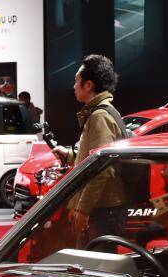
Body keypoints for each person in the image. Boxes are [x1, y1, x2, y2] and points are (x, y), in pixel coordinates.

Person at [50, 53, 125, 238]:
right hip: (102, 209)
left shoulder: (99, 116)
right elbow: (94, 158)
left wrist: (83, 209)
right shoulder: (101, 113)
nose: (74, 86)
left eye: (77, 81)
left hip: (101, 211)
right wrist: (69, 155)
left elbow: (101, 169)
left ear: (88, 85)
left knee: (96, 255)